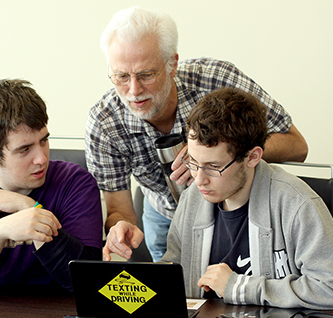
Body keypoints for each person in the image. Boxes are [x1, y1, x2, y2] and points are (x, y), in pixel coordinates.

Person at [85, 6, 308, 262]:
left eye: (146, 75)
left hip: (239, 215)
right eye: (121, 76)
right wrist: (120, 229)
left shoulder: (217, 80)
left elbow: (297, 146)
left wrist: (208, 153)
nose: (134, 90)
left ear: (172, 64)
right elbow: (118, 210)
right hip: (165, 219)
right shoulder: (104, 123)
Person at [161, 87, 333, 309]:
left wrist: (240, 286)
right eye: (193, 162)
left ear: (252, 157)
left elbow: (329, 287)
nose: (199, 179)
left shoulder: (297, 204)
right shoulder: (192, 198)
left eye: (213, 167)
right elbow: (171, 276)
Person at [0, 79, 103, 294]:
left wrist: (30, 209)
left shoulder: (76, 183)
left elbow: (85, 279)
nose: (41, 158)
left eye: (43, 141)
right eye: (25, 150)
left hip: (56, 306)